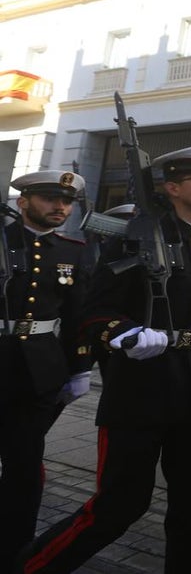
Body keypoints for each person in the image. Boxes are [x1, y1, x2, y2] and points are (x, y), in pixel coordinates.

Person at [20, 146, 191, 574]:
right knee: (121, 504)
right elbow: (94, 312)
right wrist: (122, 333)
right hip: (142, 390)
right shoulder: (133, 236)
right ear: (172, 187)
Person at [0, 171, 90, 572]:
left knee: (24, 463)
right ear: (23, 202)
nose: (61, 208)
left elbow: (78, 316)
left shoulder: (72, 250)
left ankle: (14, 548)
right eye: (51, 199)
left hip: (39, 369)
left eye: (66, 202)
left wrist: (80, 367)